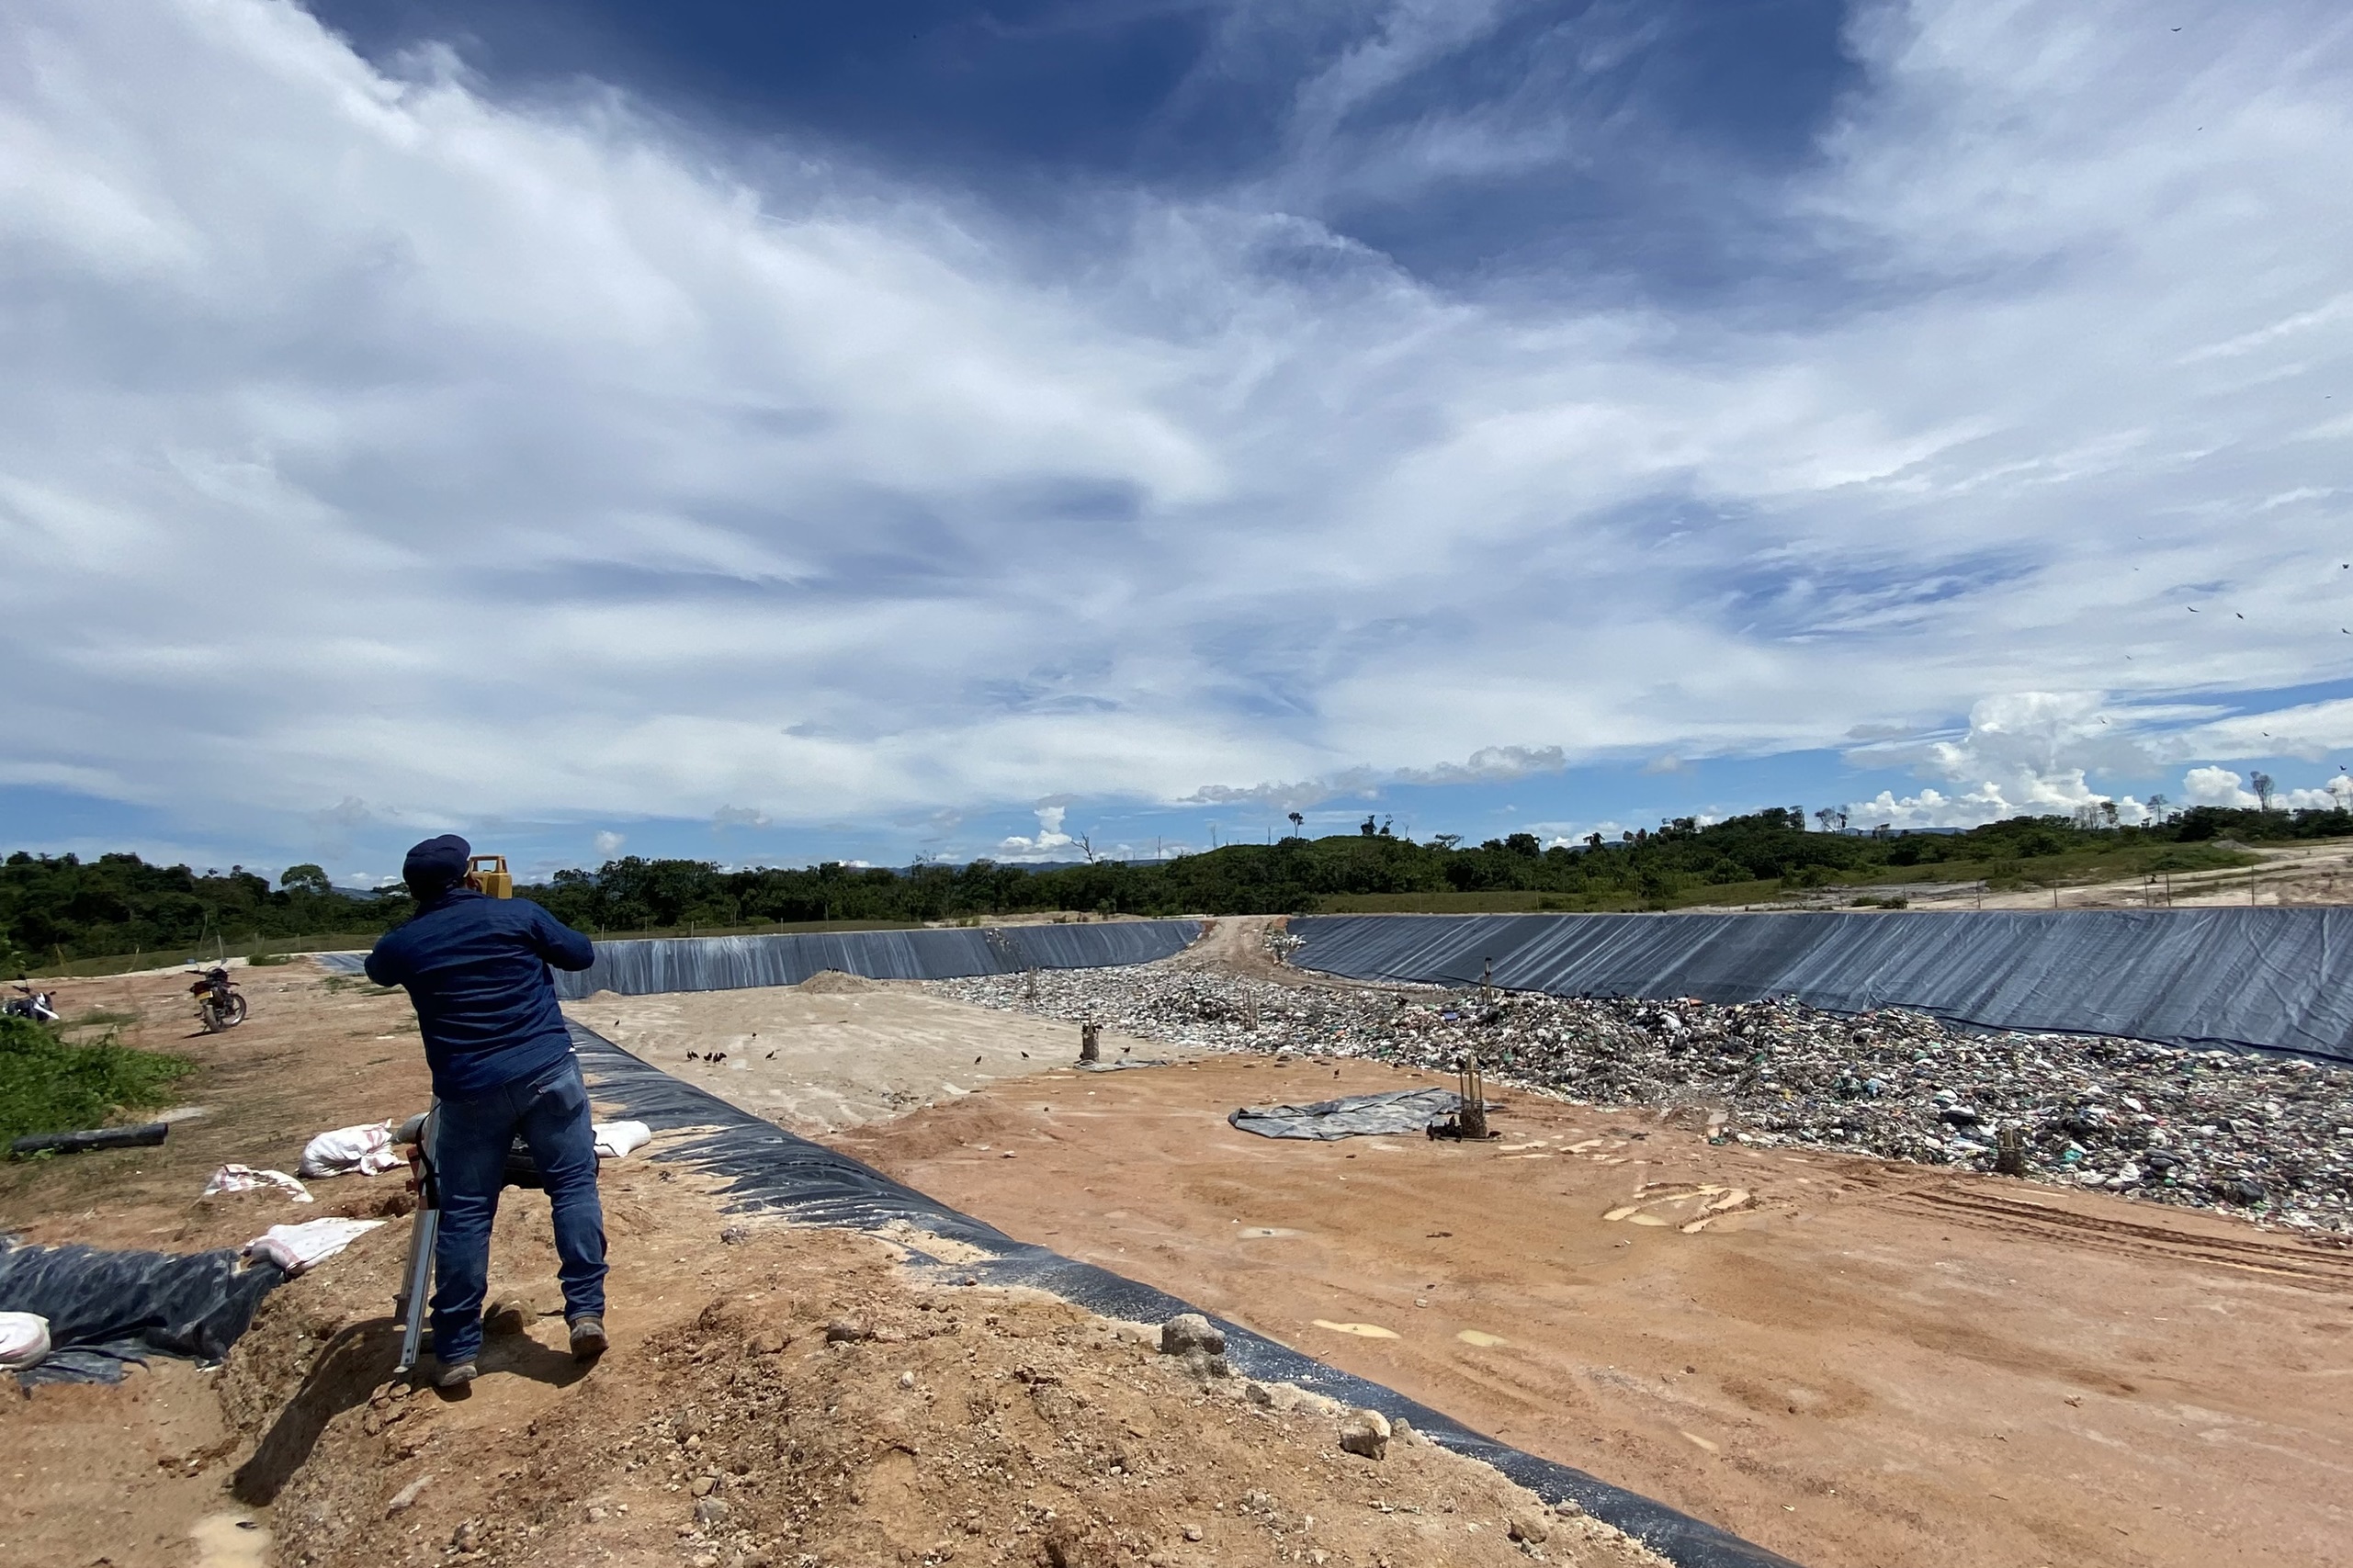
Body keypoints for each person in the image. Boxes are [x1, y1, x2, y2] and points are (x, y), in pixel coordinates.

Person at [365, 833, 606, 1387]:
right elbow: (580, 953)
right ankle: (585, 1314)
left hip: (468, 1091)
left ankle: (455, 1351)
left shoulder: (405, 942)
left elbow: (377, 969)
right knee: (572, 1187)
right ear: (469, 876)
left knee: (467, 1211)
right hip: (547, 1073)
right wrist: (497, 908)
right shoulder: (517, 915)